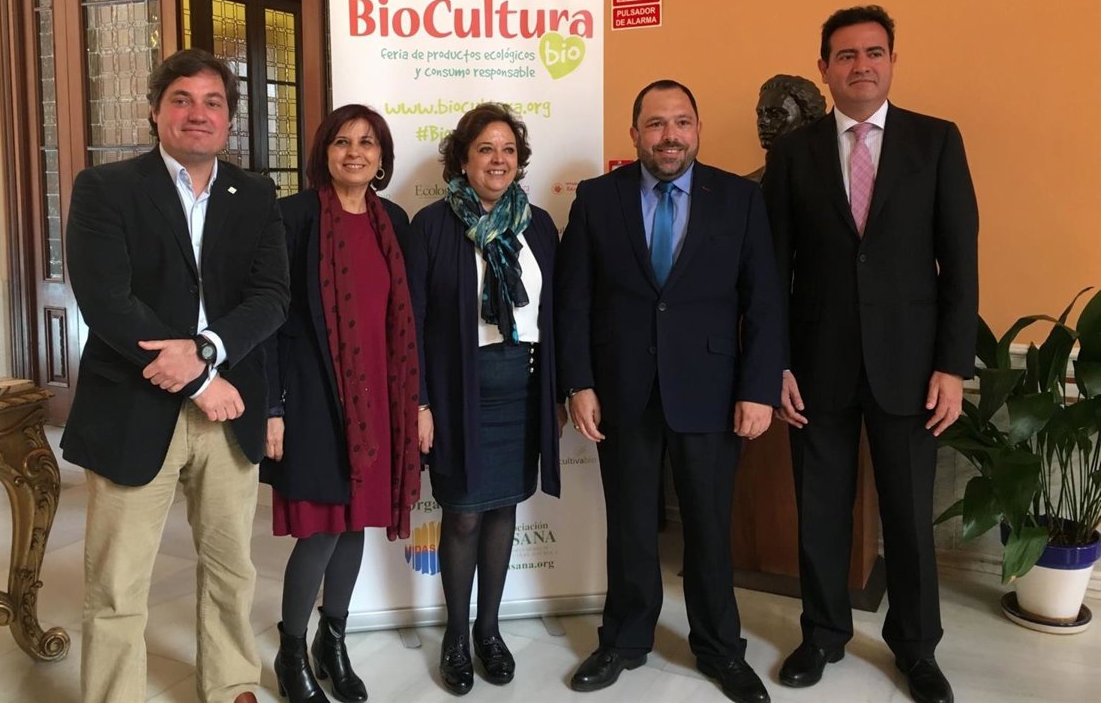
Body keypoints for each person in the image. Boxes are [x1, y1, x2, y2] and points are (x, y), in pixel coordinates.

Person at [762, 6, 978, 703]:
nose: (861, 65)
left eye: (874, 52)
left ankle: (917, 648)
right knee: (819, 512)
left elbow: (960, 261)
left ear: (892, 61)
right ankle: (823, 634)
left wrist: (953, 365)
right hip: (815, 366)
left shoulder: (936, 141)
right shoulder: (793, 153)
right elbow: (772, 269)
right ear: (824, 67)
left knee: (909, 518)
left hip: (911, 369)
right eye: (847, 55)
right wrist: (775, 364)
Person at [63, 47, 290, 703]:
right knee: (118, 581)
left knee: (231, 566)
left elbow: (271, 296)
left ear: (229, 120)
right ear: (156, 112)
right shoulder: (105, 188)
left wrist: (208, 353)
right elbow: (106, 300)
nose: (198, 113)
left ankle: (231, 681)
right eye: (182, 100)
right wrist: (198, 382)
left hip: (229, 409)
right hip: (134, 407)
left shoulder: (255, 194)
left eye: (213, 103)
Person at [556, 80, 782, 703]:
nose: (670, 135)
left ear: (698, 129)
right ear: (635, 134)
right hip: (621, 390)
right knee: (630, 525)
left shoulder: (739, 199)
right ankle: (624, 640)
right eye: (656, 124)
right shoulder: (597, 198)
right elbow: (574, 302)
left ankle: (720, 648)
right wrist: (578, 382)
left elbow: (765, 301)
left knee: (709, 527)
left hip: (711, 391)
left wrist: (759, 388)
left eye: (681, 122)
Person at [259, 104, 424, 703]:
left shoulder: (393, 220)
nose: (355, 152)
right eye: (342, 142)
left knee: (355, 523)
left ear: (381, 157)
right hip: (312, 398)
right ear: (324, 152)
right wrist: (272, 407)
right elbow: (269, 320)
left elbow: (409, 322)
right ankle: (291, 652)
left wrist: (419, 402)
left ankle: (333, 642)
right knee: (321, 530)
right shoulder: (293, 217)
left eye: (367, 143)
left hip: (379, 399)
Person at [407, 103, 563, 695]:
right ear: (463, 160)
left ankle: (488, 631)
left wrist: (558, 393)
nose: (498, 160)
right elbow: (413, 324)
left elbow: (555, 315)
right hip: (458, 394)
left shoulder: (538, 225)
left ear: (519, 160)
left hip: (524, 388)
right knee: (464, 514)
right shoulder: (432, 226)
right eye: (485, 149)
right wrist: (420, 402)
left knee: (503, 509)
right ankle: (455, 637)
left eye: (508, 150)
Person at [744, 74, 827, 183]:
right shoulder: (744, 186)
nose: (763, 122)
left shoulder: (831, 181)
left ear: (807, 120)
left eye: (775, 114)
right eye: (760, 114)